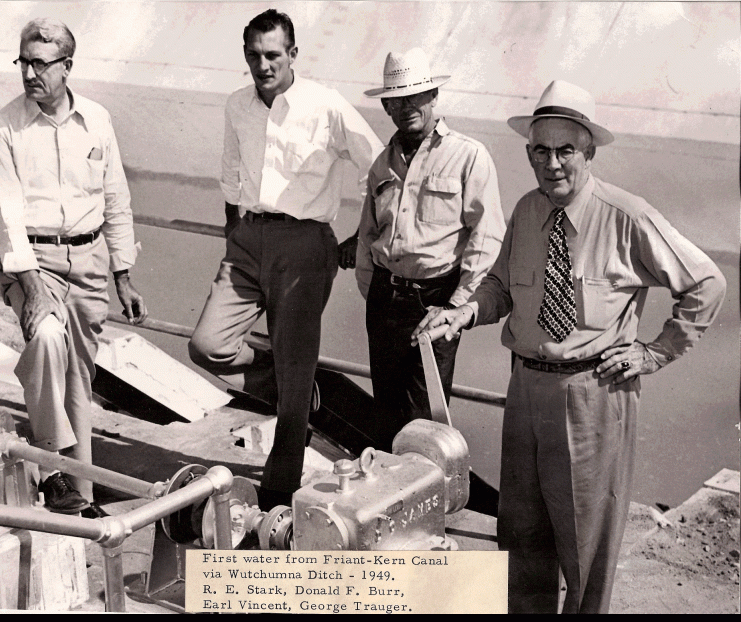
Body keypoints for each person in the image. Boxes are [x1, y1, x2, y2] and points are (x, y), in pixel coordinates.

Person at [413, 80, 726, 613]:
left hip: (593, 396)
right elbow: (502, 287)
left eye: (566, 150)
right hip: (526, 391)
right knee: (522, 542)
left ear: (589, 153)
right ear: (529, 153)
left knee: (585, 548)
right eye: (541, 150)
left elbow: (707, 283)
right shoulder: (527, 211)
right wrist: (465, 310)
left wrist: (654, 353)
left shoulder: (626, 215)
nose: (552, 163)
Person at [188, 9, 383, 510]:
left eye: (273, 54)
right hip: (248, 240)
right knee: (208, 345)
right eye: (254, 55)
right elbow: (231, 170)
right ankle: (291, 379)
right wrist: (234, 225)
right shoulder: (237, 104)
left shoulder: (326, 105)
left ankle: (279, 489)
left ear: (293, 54)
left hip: (304, 245)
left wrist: (359, 237)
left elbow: (379, 169)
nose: (263, 64)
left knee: (296, 381)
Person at [0, 18, 147, 519]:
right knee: (48, 339)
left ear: (67, 67)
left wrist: (123, 273)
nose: (30, 72)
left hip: (92, 259)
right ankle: (53, 470)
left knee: (78, 377)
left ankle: (83, 502)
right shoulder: (2, 128)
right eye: (24, 61)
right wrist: (31, 286)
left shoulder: (98, 120)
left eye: (40, 63)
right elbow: (7, 216)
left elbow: (116, 197)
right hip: (33, 261)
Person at [354, 48, 505, 450]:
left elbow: (486, 239)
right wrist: (378, 295)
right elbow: (368, 236)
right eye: (397, 99)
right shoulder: (381, 165)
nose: (407, 107)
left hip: (435, 304)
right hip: (385, 301)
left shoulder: (468, 156)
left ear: (433, 96)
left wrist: (456, 307)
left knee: (424, 421)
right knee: (385, 416)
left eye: (415, 96)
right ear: (386, 106)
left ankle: (424, 503)